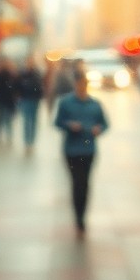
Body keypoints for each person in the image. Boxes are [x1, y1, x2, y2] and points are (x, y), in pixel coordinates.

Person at [53, 67, 109, 238]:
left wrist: (99, 129)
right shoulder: (66, 103)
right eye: (80, 84)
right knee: (77, 182)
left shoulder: (95, 104)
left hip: (89, 149)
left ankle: (82, 215)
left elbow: (105, 124)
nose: (82, 87)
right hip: (71, 150)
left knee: (85, 183)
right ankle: (78, 217)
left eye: (84, 84)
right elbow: (58, 122)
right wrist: (69, 126)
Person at [17, 57, 45, 154]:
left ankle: (31, 141)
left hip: (34, 99)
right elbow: (18, 84)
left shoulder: (37, 73)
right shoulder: (23, 73)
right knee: (26, 121)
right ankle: (27, 142)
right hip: (25, 99)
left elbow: (40, 85)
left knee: (33, 121)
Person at [0, 60, 18, 147]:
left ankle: (2, 136)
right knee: (5, 120)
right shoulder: (10, 76)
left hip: (2, 101)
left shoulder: (0, 76)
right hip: (4, 101)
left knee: (1, 120)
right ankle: (6, 137)